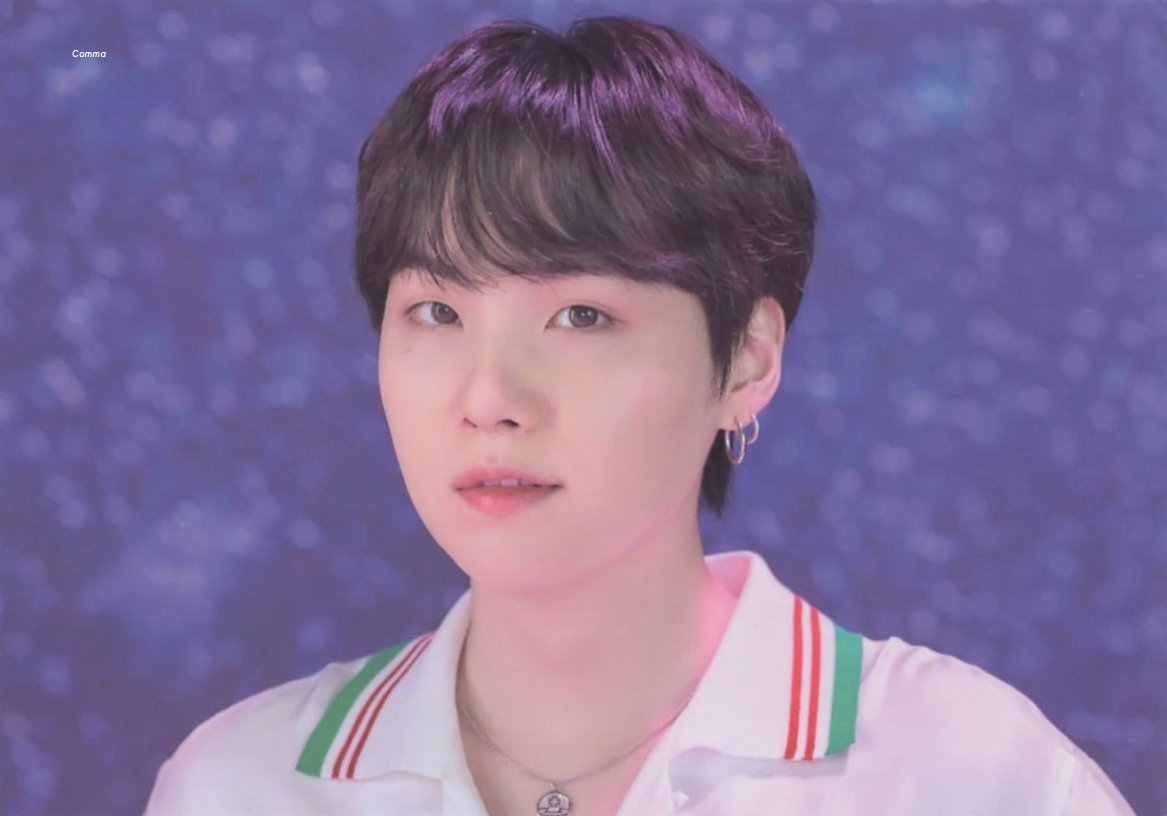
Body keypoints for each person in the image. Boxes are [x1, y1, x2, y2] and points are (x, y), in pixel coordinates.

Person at [144, 15, 1134, 816]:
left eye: (580, 316)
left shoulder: (969, 776)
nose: (489, 400)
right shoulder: (239, 787)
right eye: (437, 313)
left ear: (746, 359)